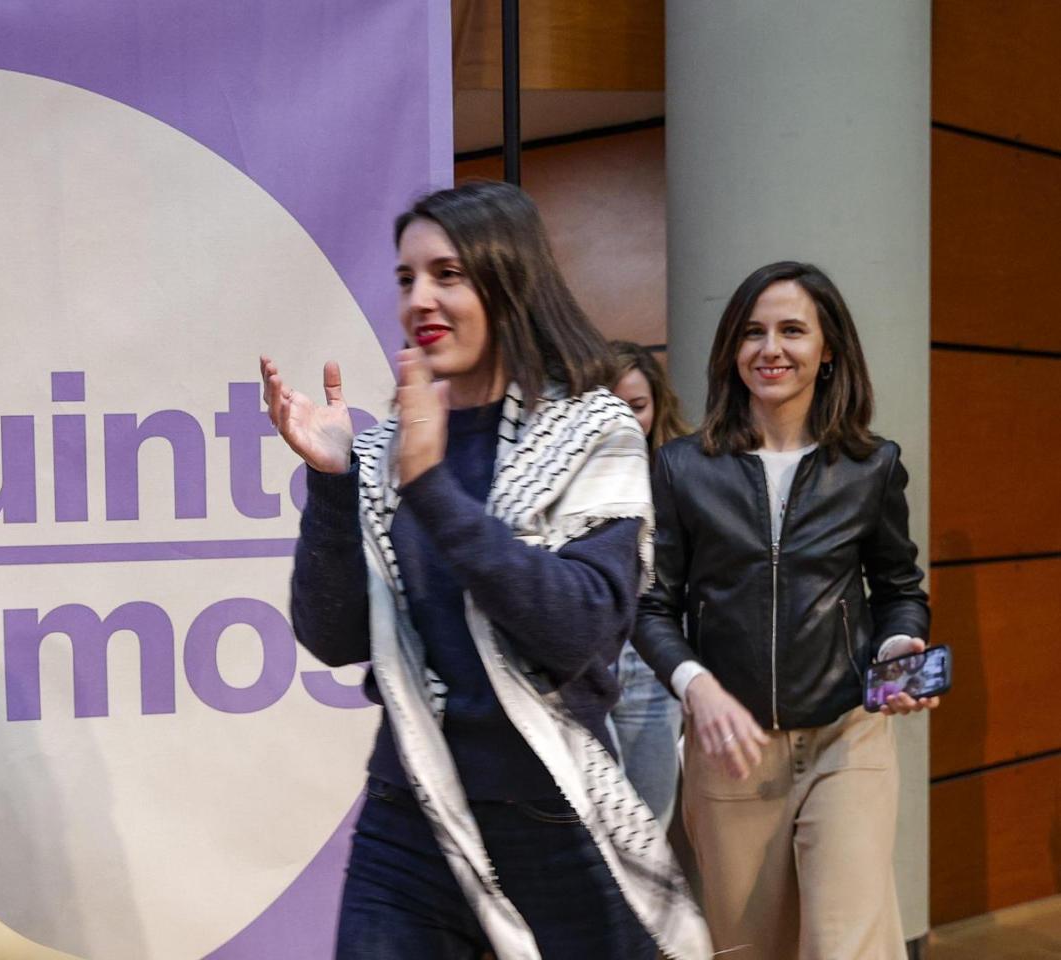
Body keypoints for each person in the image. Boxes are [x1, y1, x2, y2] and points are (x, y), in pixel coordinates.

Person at [262, 181, 707, 960]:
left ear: (509, 279)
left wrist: (431, 487)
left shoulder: (592, 431)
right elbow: (331, 638)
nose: (420, 299)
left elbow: (578, 627)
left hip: (550, 817)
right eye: (406, 279)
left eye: (448, 274)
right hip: (411, 809)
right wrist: (335, 485)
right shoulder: (390, 448)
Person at [633, 261, 937, 959]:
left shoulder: (871, 465)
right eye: (752, 332)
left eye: (792, 331)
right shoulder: (684, 468)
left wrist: (898, 646)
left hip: (846, 734)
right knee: (749, 948)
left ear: (828, 350)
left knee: (846, 943)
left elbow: (898, 591)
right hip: (731, 750)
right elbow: (652, 607)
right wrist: (697, 688)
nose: (770, 348)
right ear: (731, 352)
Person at [606, 341, 691, 828]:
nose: (624, 420)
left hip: (654, 666)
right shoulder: (557, 474)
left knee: (645, 838)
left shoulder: (680, 474)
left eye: (636, 407)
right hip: (581, 665)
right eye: (612, 406)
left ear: (657, 405)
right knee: (585, 842)